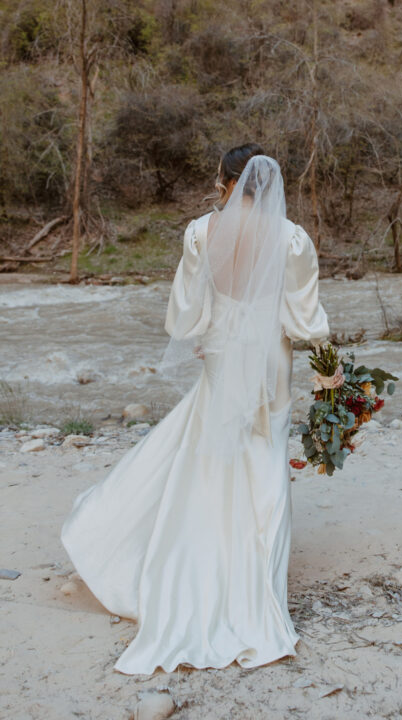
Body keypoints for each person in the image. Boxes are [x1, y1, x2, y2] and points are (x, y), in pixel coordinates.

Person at [62, 145, 329, 674]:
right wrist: (331, 369)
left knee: (211, 458)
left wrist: (209, 332)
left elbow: (184, 315)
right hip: (270, 363)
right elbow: (304, 318)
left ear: (227, 182)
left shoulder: (201, 232)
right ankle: (259, 594)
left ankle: (196, 568)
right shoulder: (292, 237)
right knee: (266, 458)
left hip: (224, 355)